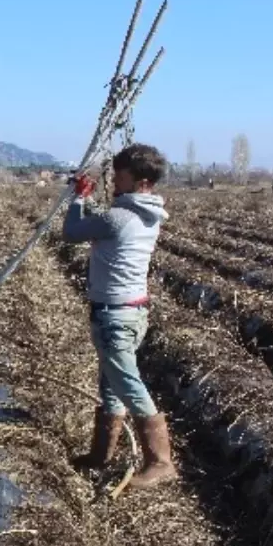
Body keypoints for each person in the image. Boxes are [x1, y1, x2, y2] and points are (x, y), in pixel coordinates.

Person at [63, 143, 175, 489]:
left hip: (114, 316)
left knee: (127, 383)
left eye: (120, 173)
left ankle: (161, 463)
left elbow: (71, 233)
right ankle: (100, 455)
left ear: (139, 180)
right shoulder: (147, 214)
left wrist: (79, 198)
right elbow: (104, 225)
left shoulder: (118, 217)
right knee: (110, 385)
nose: (114, 178)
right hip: (132, 312)